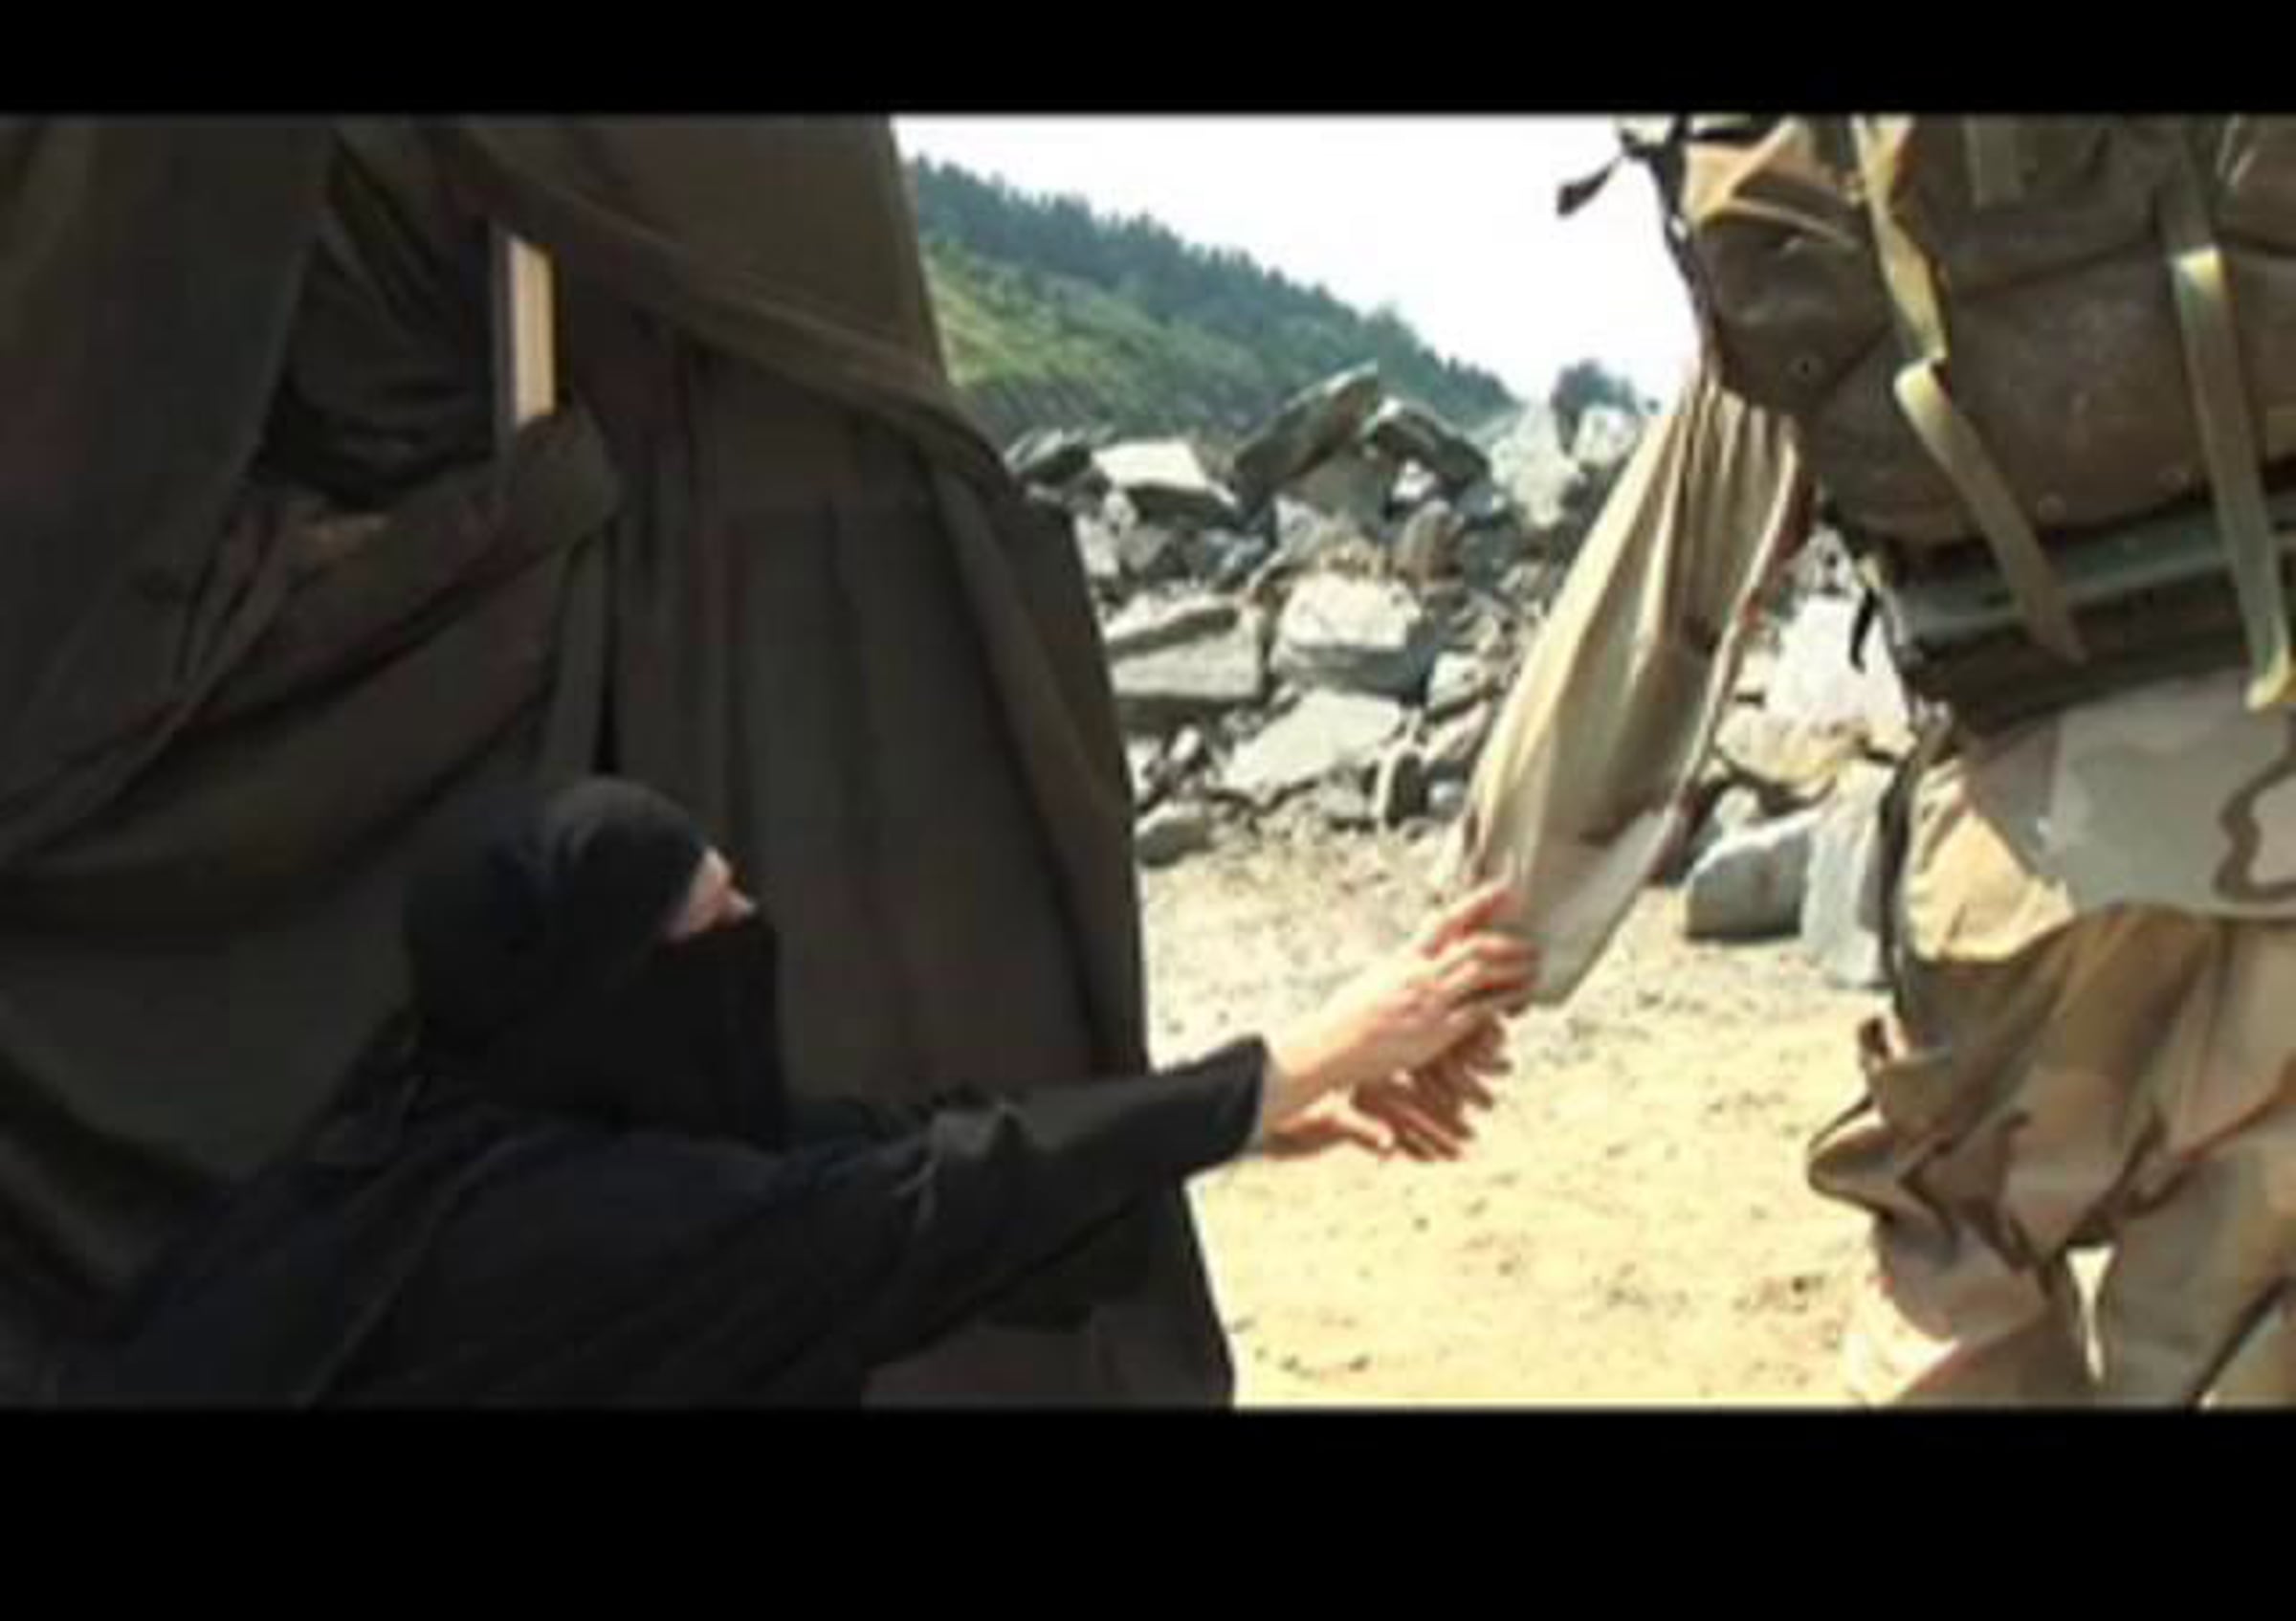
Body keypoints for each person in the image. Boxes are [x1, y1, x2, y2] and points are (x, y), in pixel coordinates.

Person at [52, 778, 1534, 1406]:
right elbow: (907, 1206)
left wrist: (1247, 1119)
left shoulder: (444, 1125)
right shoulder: (546, 1227)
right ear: (603, 989)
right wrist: (1294, 1060)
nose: (755, 933)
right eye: (714, 919)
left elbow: (890, 1145)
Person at [1459, 366, 2296, 1406]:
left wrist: (1498, 924)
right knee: (2247, 1313)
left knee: (1958, 1273)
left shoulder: (1840, 256)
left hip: (2022, 859)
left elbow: (1672, 581)